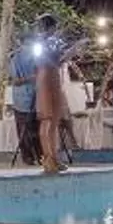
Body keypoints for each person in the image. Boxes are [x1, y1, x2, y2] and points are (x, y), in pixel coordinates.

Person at [36, 36, 72, 174]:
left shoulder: (47, 43)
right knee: (49, 121)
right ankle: (50, 159)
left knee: (49, 123)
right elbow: (57, 60)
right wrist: (71, 51)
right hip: (48, 80)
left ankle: (51, 158)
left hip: (46, 79)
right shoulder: (48, 43)